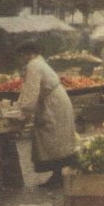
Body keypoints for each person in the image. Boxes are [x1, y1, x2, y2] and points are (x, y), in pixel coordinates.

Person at [16, 41, 77, 188]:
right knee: (55, 137)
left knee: (51, 136)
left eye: (22, 55)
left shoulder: (33, 65)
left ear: (28, 53)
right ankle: (57, 174)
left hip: (53, 104)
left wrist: (24, 111)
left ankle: (57, 176)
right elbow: (29, 89)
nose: (22, 59)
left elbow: (31, 93)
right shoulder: (38, 62)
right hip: (56, 100)